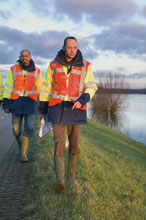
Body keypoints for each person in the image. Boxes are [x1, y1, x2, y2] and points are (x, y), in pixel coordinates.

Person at [39, 36, 98, 192]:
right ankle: (61, 181)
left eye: (75, 47)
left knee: (74, 145)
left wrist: (83, 99)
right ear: (63, 47)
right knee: (58, 143)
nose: (72, 50)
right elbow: (46, 88)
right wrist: (42, 110)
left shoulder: (86, 65)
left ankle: (72, 177)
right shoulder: (53, 65)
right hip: (57, 108)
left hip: (76, 109)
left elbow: (92, 86)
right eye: (69, 47)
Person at [2, 49, 42, 163]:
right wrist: (6, 103)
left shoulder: (37, 71)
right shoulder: (13, 69)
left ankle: (23, 154)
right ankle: (21, 146)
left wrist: (43, 103)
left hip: (30, 102)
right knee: (16, 130)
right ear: (19, 57)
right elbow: (8, 86)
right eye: (22, 56)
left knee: (29, 128)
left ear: (30, 57)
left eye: (27, 56)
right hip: (16, 102)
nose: (25, 58)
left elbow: (40, 88)